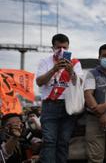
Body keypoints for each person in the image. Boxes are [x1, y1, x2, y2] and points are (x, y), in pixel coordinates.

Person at [36, 33, 83, 163]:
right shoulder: (45, 61)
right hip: (50, 105)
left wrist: (71, 71)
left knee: (63, 142)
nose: (62, 50)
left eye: (65, 48)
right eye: (58, 47)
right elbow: (39, 82)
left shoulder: (75, 62)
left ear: (68, 47)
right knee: (49, 141)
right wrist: (54, 69)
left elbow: (79, 83)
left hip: (68, 106)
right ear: (53, 48)